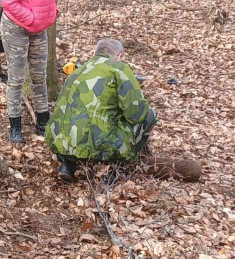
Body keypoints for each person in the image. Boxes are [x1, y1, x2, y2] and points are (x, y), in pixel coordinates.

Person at [0, 0, 77, 145]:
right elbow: (9, 1)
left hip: (38, 28)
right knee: (16, 78)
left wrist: (51, 13)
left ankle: (43, 122)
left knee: (39, 77)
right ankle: (15, 126)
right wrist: (33, 18)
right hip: (16, 27)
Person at [46, 38, 157, 183]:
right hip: (101, 144)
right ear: (119, 56)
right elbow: (136, 113)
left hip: (61, 142)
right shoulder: (119, 68)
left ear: (95, 53)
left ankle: (68, 165)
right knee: (149, 114)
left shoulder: (76, 71)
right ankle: (116, 167)